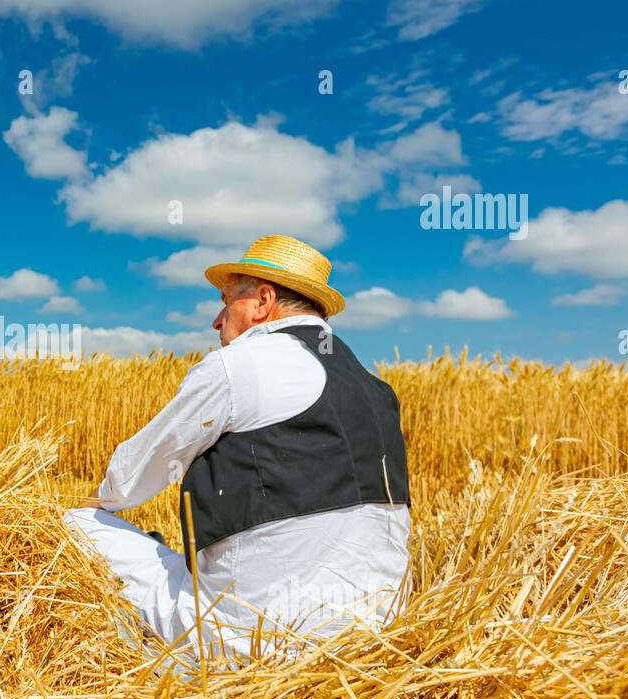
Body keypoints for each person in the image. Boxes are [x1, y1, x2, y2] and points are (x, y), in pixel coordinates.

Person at [64, 235, 412, 663]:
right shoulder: (376, 389)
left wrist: (95, 503)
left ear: (262, 302)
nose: (216, 320)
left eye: (225, 300)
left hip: (258, 640)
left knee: (74, 525)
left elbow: (128, 480)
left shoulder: (240, 365)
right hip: (375, 641)